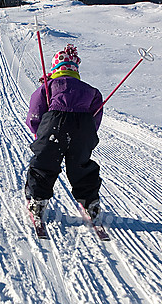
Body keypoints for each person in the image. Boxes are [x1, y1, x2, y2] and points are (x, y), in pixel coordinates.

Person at [25, 44, 103, 221]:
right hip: (83, 128)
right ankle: (91, 204)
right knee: (81, 165)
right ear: (76, 70)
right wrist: (88, 137)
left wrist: (39, 133)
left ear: (55, 68)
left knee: (45, 162)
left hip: (54, 125)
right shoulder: (91, 90)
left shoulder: (48, 85)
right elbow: (95, 117)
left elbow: (35, 111)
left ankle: (37, 201)